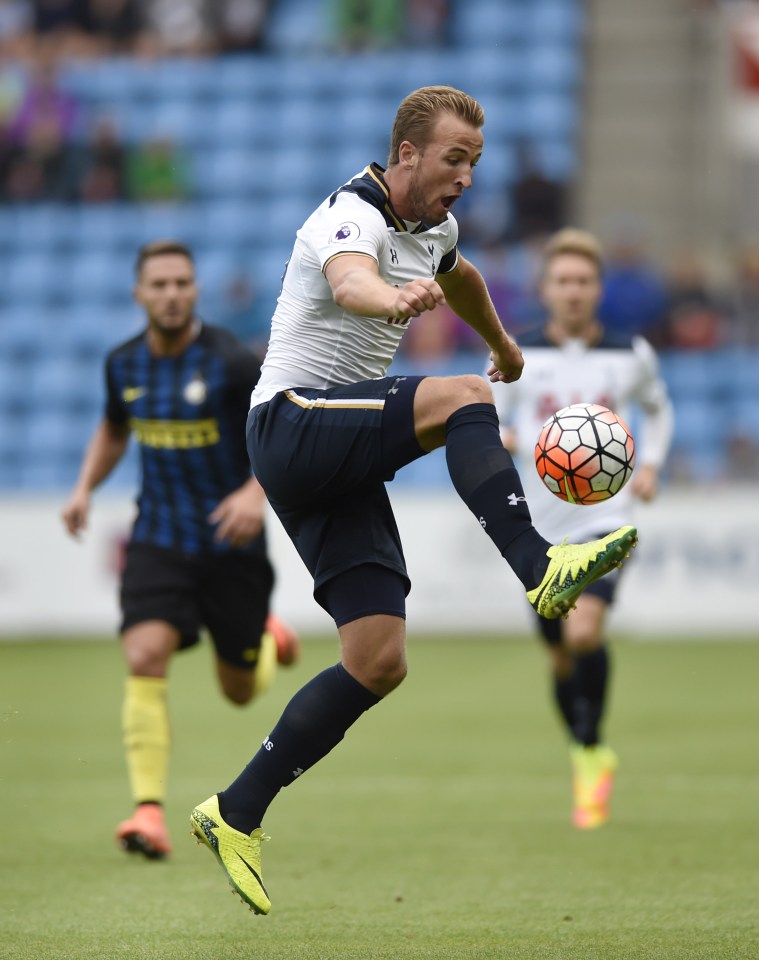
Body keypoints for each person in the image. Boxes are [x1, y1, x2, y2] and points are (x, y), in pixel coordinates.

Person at [188, 86, 638, 915]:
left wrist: (502, 341)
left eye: (473, 162)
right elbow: (352, 280)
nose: (465, 176)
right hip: (291, 422)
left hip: (334, 456)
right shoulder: (346, 214)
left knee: (377, 658)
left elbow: (456, 275)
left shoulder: (435, 228)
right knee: (460, 397)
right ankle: (538, 568)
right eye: (452, 159)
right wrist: (391, 301)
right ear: (405, 154)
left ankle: (235, 811)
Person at [62, 240, 300, 860]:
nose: (171, 294)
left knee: (239, 690)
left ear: (195, 291)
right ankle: (147, 813)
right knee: (143, 653)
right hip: (159, 538)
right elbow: (115, 427)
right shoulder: (122, 365)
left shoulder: (229, 361)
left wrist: (255, 493)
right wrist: (85, 487)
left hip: (231, 544)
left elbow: (280, 432)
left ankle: (266, 639)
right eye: (159, 284)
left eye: (182, 283)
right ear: (139, 293)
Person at [490, 228, 674, 829]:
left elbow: (659, 406)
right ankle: (587, 749)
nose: (573, 291)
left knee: (584, 634)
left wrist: (647, 464)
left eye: (584, 281)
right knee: (560, 658)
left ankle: (592, 751)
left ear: (598, 289)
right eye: (563, 280)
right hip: (538, 531)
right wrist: (504, 439)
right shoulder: (518, 353)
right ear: (545, 289)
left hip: (606, 520)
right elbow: (486, 414)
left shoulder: (630, 353)